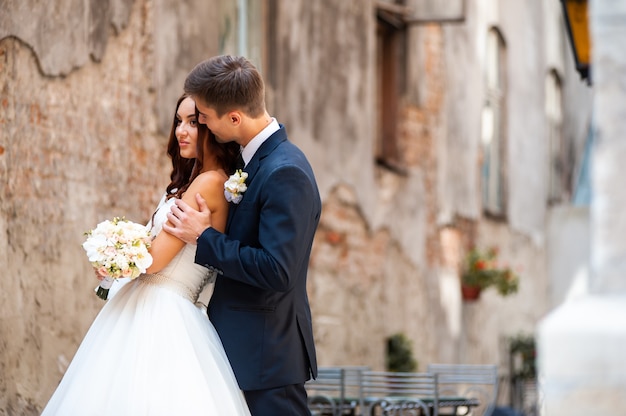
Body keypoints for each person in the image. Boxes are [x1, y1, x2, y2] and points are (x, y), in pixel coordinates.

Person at [41, 94, 251, 415]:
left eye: (193, 123)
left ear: (212, 127)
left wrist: (122, 256)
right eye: (178, 121)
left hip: (164, 309)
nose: (182, 130)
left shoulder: (209, 182)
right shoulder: (194, 181)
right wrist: (117, 261)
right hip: (149, 302)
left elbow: (154, 261)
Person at [163, 55, 321, 416]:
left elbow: (277, 270)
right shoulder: (252, 163)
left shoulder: (286, 171)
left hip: (266, 357)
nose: (200, 122)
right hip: (239, 350)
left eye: (204, 115)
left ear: (234, 117)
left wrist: (204, 238)